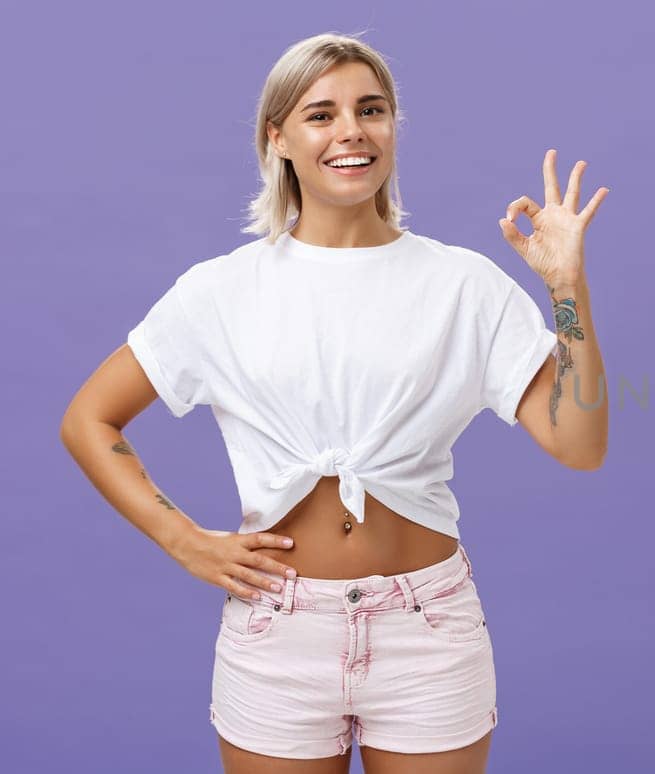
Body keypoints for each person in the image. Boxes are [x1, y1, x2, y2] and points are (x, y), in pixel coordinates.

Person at [57, 32, 609, 773]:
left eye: (370, 109)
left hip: (428, 628)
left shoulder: (463, 285)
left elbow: (579, 443)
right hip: (279, 636)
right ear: (277, 137)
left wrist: (566, 288)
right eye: (321, 114)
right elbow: (89, 418)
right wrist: (184, 538)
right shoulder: (222, 290)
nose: (351, 129)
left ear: (392, 129)